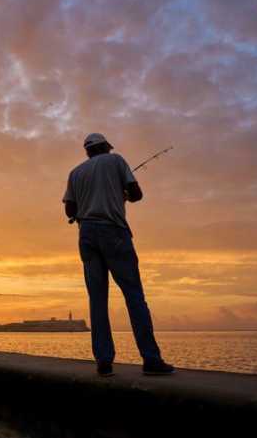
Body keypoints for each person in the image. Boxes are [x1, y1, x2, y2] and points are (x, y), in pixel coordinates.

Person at [63, 133, 174, 376]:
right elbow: (136, 194)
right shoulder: (116, 161)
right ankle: (151, 359)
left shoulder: (75, 173)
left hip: (87, 236)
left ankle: (103, 361)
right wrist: (121, 195)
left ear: (87, 151)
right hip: (114, 231)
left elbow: (70, 209)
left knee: (97, 300)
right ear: (105, 147)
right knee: (134, 296)